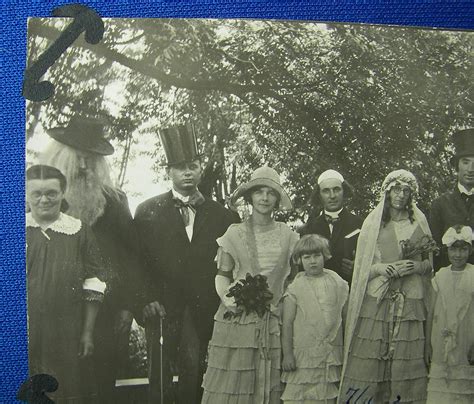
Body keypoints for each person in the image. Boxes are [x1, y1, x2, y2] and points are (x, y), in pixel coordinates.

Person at [40, 116, 141, 403]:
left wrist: (127, 307)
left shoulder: (116, 200)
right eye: (78, 160)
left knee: (101, 384)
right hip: (54, 311)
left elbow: (131, 257)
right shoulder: (42, 200)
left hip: (106, 312)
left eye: (91, 161)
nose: (84, 167)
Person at [134, 124, 236, 403]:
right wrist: (146, 298)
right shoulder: (147, 211)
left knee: (193, 367)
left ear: (201, 169)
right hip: (161, 305)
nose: (188, 172)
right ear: (169, 172)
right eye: (180, 167)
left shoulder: (222, 216)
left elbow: (232, 264)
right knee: (159, 374)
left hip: (201, 305)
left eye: (193, 165)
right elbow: (137, 262)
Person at [201, 165, 299, 404]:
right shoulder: (234, 233)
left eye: (271, 193)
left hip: (272, 320)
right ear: (250, 197)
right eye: (259, 192)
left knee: (267, 383)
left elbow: (293, 279)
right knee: (234, 384)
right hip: (237, 318)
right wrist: (229, 298)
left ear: (277, 199)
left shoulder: (289, 235)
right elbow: (223, 274)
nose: (265, 198)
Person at [339, 169, 434, 404]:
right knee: (372, 361)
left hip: (410, 300)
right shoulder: (373, 225)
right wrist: (381, 269)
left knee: (405, 361)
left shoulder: (419, 223)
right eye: (396, 189)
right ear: (387, 192)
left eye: (406, 191)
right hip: (378, 299)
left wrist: (416, 266)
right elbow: (363, 270)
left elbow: (429, 267)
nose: (401, 195)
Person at [26, 165, 106, 403]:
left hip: (65, 331)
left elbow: (94, 283)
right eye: (36, 194)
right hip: (21, 331)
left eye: (51, 193)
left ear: (63, 193)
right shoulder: (12, 230)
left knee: (63, 391)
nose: (44, 200)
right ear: (27, 195)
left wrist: (87, 333)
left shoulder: (79, 231)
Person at [281, 234, 349, 404]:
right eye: (307, 257)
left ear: (324, 256)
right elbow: (287, 324)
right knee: (301, 394)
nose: (313, 261)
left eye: (317, 256)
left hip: (330, 351)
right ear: (299, 260)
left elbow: (345, 316)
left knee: (326, 395)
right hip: (304, 354)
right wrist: (288, 354)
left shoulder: (337, 282)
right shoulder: (295, 287)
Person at [425, 225, 474, 404]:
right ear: (447, 250)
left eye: (463, 249)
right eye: (454, 249)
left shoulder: (473, 275)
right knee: (441, 392)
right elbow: (431, 312)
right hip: (440, 340)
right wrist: (427, 346)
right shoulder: (440, 276)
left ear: (470, 249)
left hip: (466, 339)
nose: (458, 254)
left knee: (463, 391)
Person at [300, 169, 363, 284]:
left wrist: (358, 267)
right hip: (318, 294)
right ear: (319, 195)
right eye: (326, 191)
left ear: (344, 191)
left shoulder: (360, 224)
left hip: (351, 292)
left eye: (336, 189)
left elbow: (373, 260)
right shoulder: (308, 229)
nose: (332, 196)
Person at [430, 128, 474, 270]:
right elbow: (434, 250)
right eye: (465, 162)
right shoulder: (440, 204)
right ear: (457, 166)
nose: (471, 169)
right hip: (450, 283)